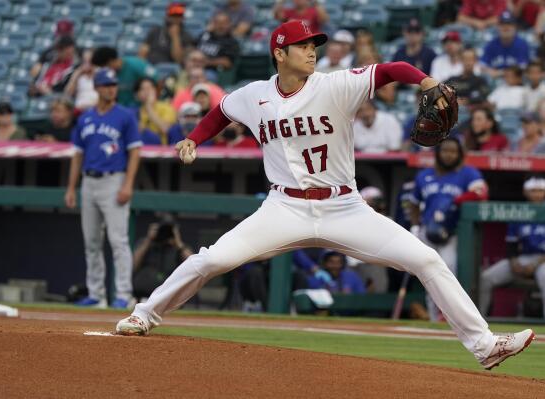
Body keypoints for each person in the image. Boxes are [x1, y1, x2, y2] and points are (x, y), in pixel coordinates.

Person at [116, 20, 534, 370]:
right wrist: (192, 137)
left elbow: (391, 68)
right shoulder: (254, 95)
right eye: (302, 46)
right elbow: (221, 112)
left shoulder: (335, 86)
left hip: (344, 206)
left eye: (314, 44)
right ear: (279, 54)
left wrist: (426, 80)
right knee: (214, 258)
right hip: (285, 206)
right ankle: (144, 314)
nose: (312, 51)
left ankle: (484, 346)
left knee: (426, 258)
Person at [64, 68, 142, 309]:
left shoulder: (125, 116)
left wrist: (128, 184)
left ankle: (123, 294)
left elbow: (135, 152)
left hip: (113, 180)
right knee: (92, 242)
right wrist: (71, 188)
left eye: (114, 84)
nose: (111, 88)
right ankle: (97, 295)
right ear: (96, 88)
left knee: (118, 240)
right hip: (89, 181)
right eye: (106, 84)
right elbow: (77, 155)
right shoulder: (85, 117)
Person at [409, 137, 488, 321]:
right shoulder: (424, 175)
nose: (449, 155)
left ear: (459, 153)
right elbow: (413, 203)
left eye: (453, 151)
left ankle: (449, 316)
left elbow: (481, 193)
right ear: (438, 153)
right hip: (427, 232)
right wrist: (414, 225)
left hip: (452, 233)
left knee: (447, 271)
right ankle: (434, 317)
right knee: (428, 274)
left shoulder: (468, 173)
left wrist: (457, 200)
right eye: (445, 151)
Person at [480, 176, 545, 318]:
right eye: (533, 191)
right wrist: (514, 262)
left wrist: (535, 264)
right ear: (526, 192)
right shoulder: (519, 212)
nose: (537, 194)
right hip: (524, 258)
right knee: (486, 278)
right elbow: (511, 245)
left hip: (542, 261)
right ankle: (479, 321)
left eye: (540, 191)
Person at [132, 215, 193, 300]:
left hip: (170, 297)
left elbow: (195, 266)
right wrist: (149, 240)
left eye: (169, 230)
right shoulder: (146, 243)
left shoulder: (178, 247)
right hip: (143, 295)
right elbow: (133, 265)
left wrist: (178, 243)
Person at [91, 46, 158, 107]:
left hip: (142, 108)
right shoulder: (108, 75)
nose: (104, 70)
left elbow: (158, 80)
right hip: (121, 109)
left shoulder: (136, 65)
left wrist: (153, 101)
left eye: (104, 66)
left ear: (111, 61)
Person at [480, 11, 530, 78]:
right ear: (497, 27)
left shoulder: (522, 45)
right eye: (502, 24)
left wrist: (501, 73)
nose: (505, 27)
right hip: (494, 81)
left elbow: (523, 67)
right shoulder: (491, 44)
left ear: (515, 27)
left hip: (515, 82)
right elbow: (482, 65)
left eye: (509, 24)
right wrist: (490, 71)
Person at [133, 77, 176, 145]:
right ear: (137, 94)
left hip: (162, 150)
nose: (147, 92)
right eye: (143, 89)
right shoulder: (134, 112)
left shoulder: (166, 108)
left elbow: (165, 129)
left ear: (156, 90)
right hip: (141, 149)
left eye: (150, 88)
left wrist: (149, 107)